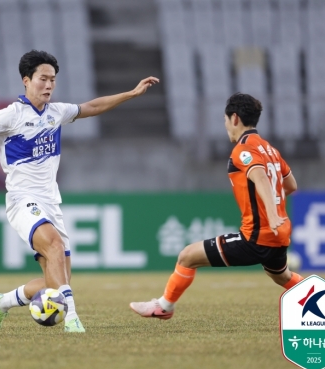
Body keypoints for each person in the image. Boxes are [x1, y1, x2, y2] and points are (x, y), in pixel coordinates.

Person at [0, 50, 159, 332]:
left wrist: (131, 93)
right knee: (53, 245)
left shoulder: (57, 112)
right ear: (26, 81)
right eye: (43, 79)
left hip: (51, 202)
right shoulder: (11, 115)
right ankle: (72, 318)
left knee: (57, 281)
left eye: (53, 80)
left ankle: (1, 301)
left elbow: (92, 107)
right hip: (22, 200)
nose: (49, 85)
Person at [129, 93, 303, 320]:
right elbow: (290, 184)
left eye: (224, 120)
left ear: (235, 119)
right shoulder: (270, 150)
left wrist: (270, 213)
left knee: (187, 256)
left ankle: (164, 306)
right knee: (282, 277)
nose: (225, 126)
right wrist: (272, 206)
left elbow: (260, 178)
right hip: (279, 235)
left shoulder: (244, 149)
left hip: (256, 237)